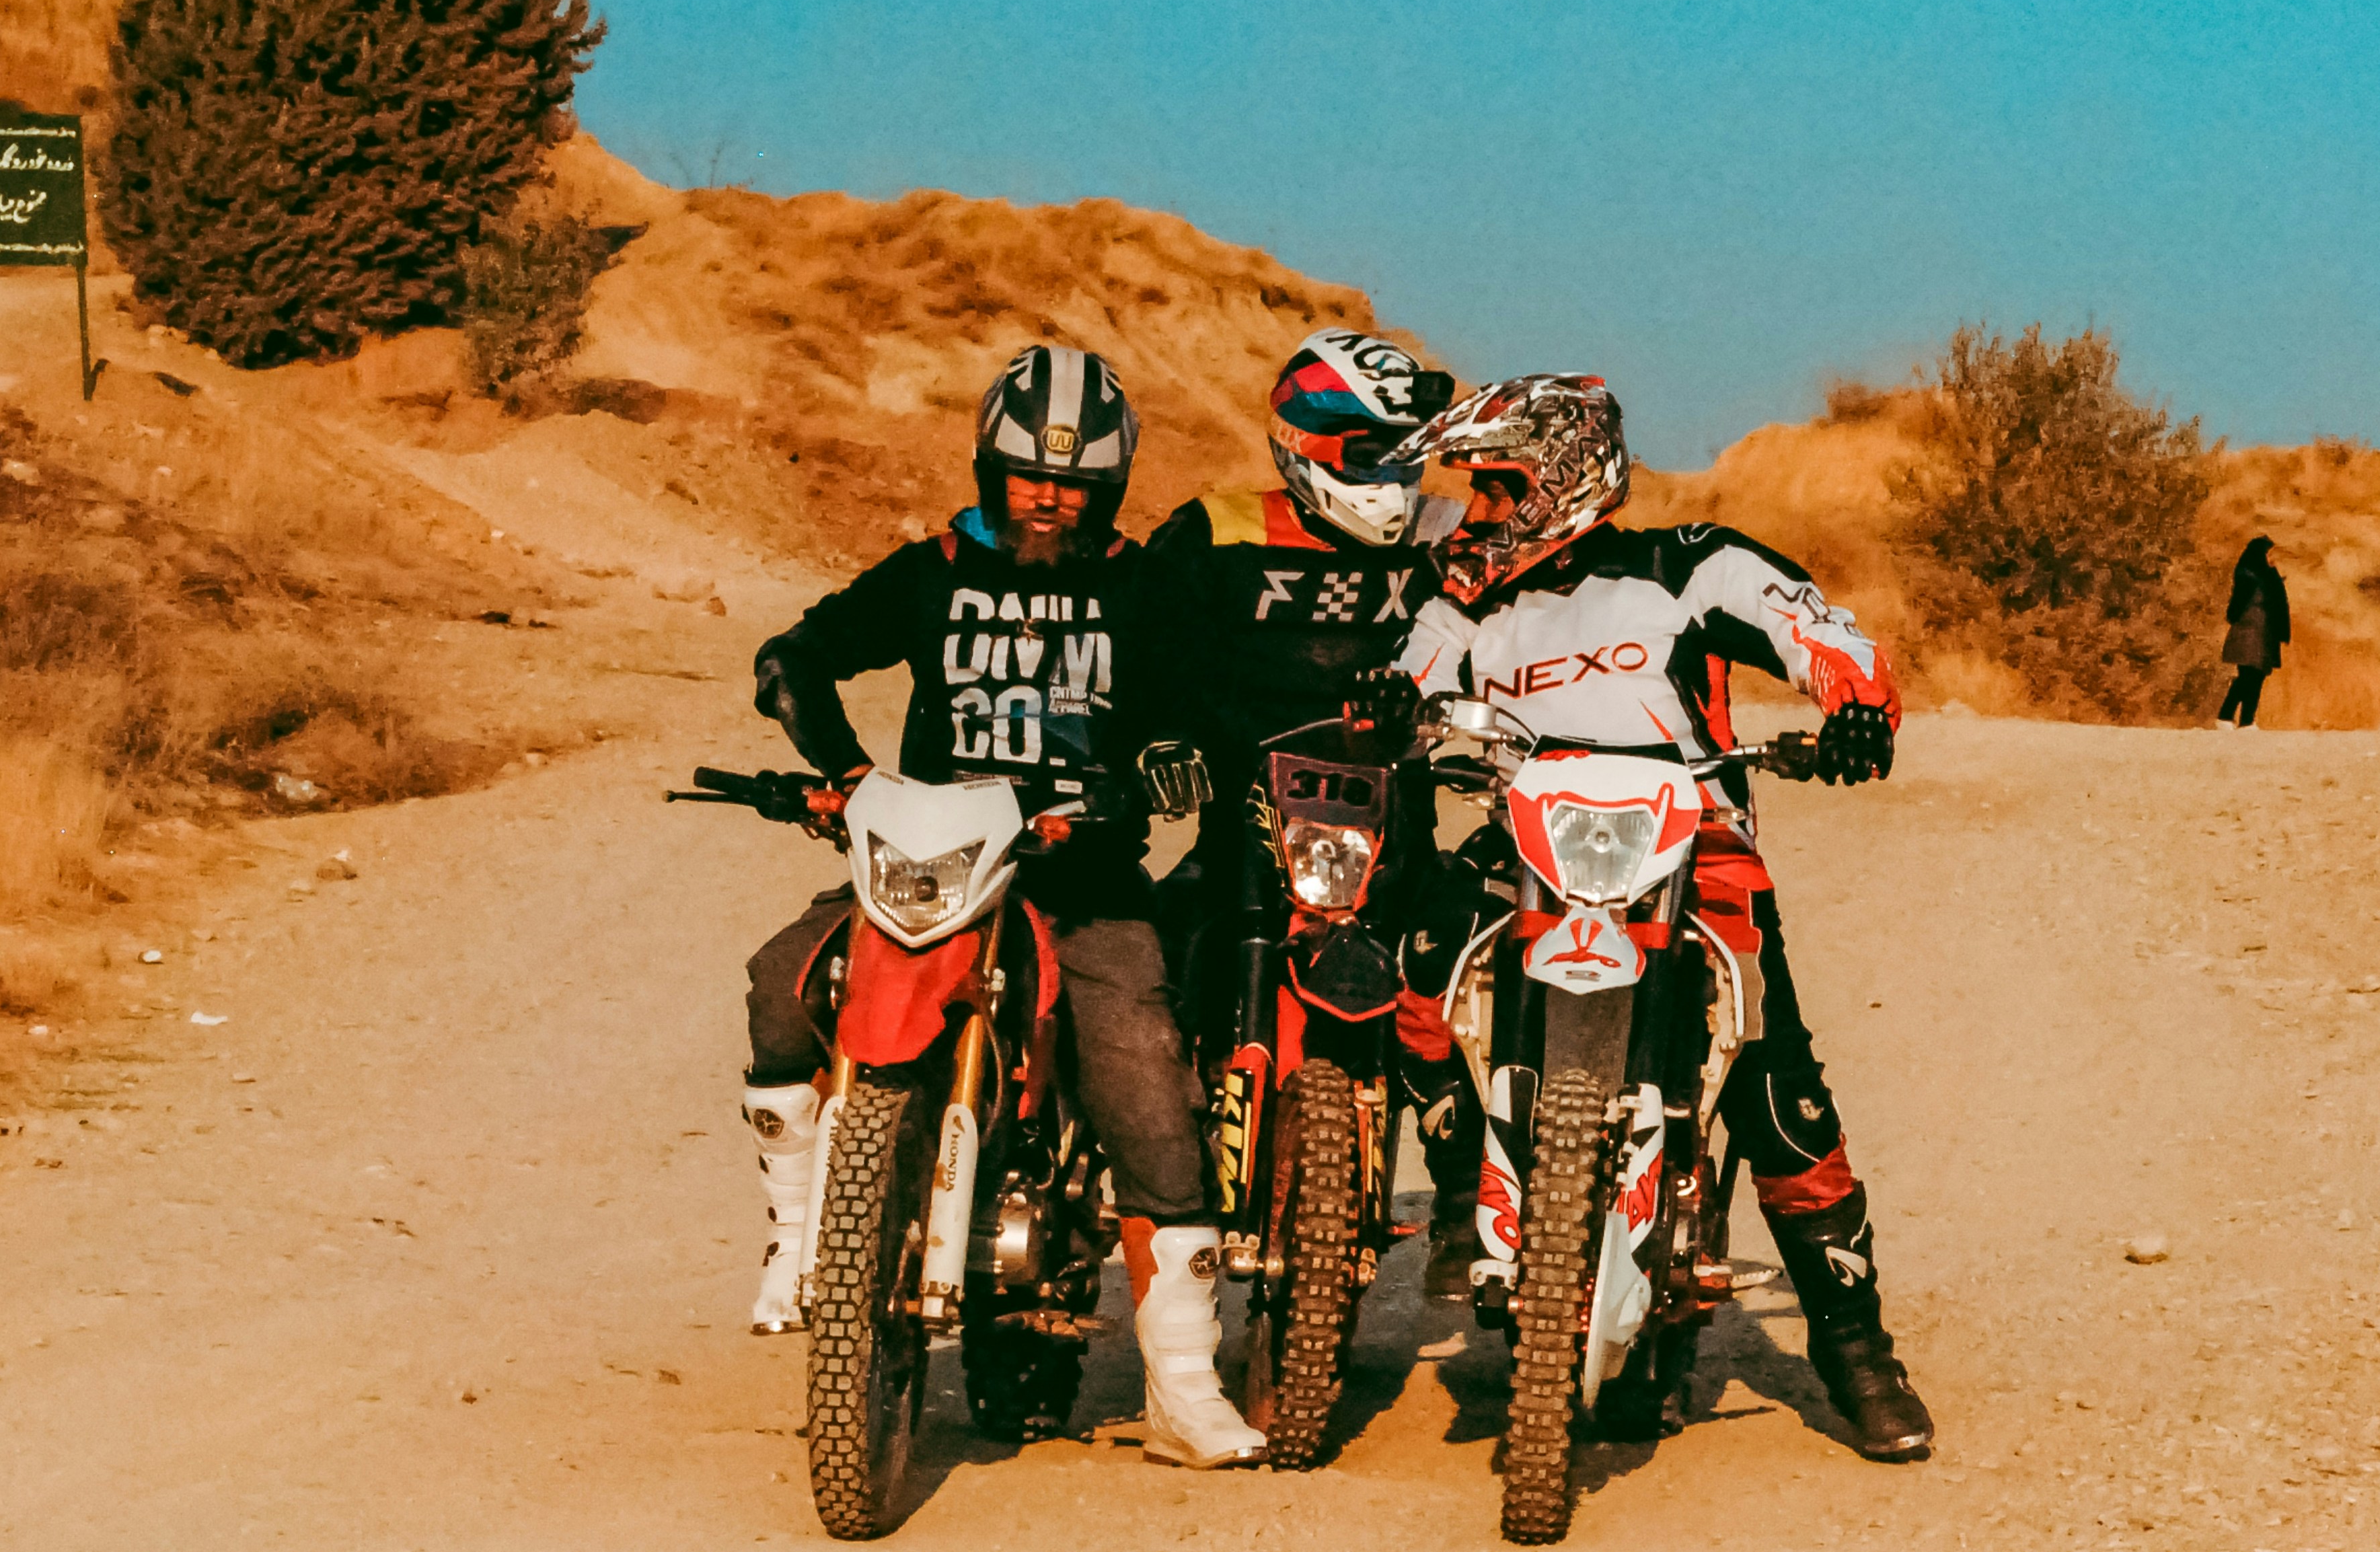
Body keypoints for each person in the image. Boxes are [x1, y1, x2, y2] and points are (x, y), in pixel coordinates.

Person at [1382, 371, 1936, 1464]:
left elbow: (1824, 633)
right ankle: (1467, 1203)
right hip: (1527, 849)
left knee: (1778, 1087)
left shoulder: (1690, 564)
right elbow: (1407, 678)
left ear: (1562, 481)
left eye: (1498, 488)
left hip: (1697, 851)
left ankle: (1855, 1348)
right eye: (1475, 492)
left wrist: (1858, 702)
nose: (1478, 512)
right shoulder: (1463, 598)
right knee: (1418, 970)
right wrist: (1389, 708)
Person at [734, 343, 1264, 1468]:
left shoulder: (1141, 590)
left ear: (1108, 490)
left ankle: (1182, 1386)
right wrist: (837, 772)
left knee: (1149, 1081)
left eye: (1073, 483)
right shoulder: (931, 572)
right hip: (932, 863)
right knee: (782, 989)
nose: (1047, 496)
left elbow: (1205, 715)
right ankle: (796, 1241)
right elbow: (796, 658)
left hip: (1086, 878)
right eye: (1028, 474)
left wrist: (1168, 762)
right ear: (989, 467)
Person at [1119, 328, 1479, 1262]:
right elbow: (1144, 649)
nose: (1393, 474)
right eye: (1370, 454)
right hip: (1244, 819)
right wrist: (1160, 733)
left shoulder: (1453, 536)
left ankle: (1472, 1214)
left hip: (1399, 828)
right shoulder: (1215, 529)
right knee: (1142, 982)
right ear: (1305, 445)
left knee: (1453, 999)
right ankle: (1092, 1174)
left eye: (1407, 452)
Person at [2220, 535, 2288, 727]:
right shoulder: (2249, 576)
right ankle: (2225, 717)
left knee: (2256, 677)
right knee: (2248, 677)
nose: (2273, 558)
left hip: (2263, 634)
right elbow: (2236, 607)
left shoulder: (2265, 576)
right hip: (2249, 633)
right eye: (2269, 554)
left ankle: (2247, 721)